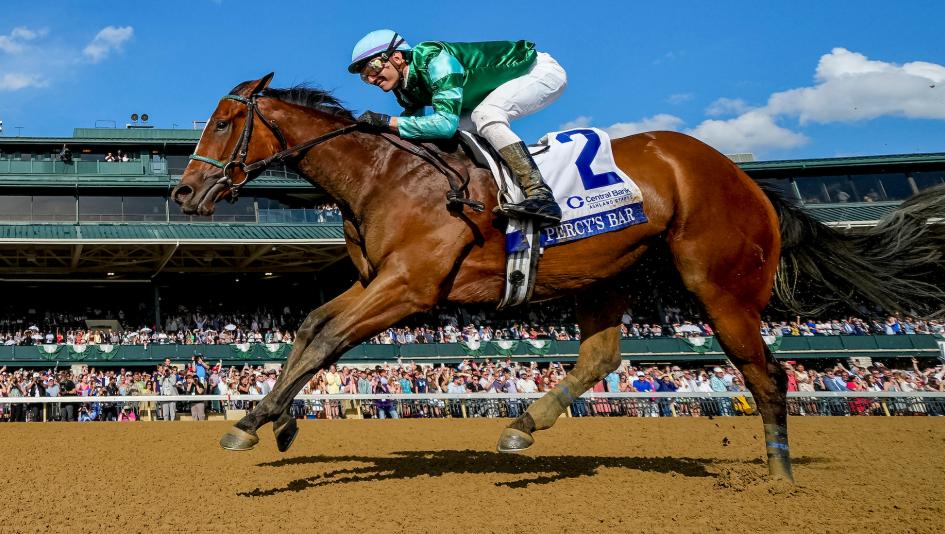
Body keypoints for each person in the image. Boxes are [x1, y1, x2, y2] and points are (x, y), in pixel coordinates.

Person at [348, 29, 566, 226]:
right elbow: (416, 133)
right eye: (365, 76)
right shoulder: (405, 88)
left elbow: (444, 125)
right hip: (490, 92)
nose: (372, 78)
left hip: (537, 72)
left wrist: (387, 122)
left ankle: (540, 195)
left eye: (373, 67)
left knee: (486, 115)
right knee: (455, 136)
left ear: (396, 57)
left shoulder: (436, 61)